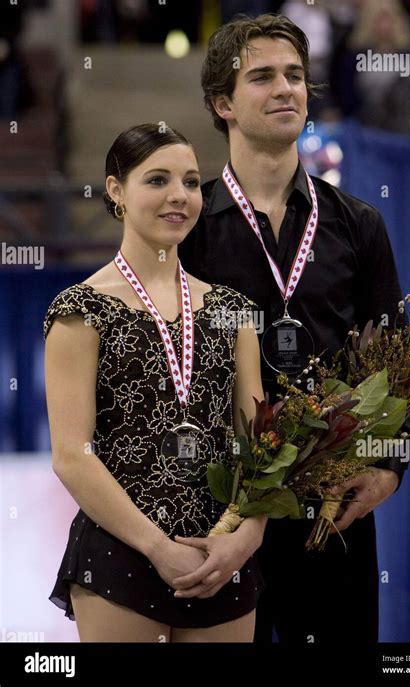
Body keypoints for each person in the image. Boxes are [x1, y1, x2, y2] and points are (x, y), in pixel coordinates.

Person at [177, 13, 410, 645]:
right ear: (222, 102)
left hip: (331, 513)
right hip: (222, 511)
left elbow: (394, 367)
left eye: (294, 75)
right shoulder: (189, 231)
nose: (285, 88)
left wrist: (389, 467)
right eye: (262, 76)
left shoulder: (358, 224)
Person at [43, 123, 267, 642]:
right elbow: (72, 455)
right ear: (116, 190)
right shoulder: (81, 311)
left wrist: (249, 533)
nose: (178, 196)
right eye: (157, 180)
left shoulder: (232, 311)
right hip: (121, 552)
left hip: (222, 552)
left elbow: (261, 445)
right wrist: (159, 548)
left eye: (191, 182)